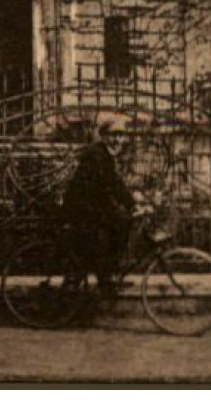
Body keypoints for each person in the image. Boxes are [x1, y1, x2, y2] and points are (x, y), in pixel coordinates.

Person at [59, 118, 136, 293]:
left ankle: (105, 276)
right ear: (103, 136)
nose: (118, 140)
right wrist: (128, 204)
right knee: (120, 224)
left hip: (90, 205)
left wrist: (130, 202)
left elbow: (114, 182)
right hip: (82, 208)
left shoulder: (103, 153)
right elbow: (107, 184)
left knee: (118, 224)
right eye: (113, 135)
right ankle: (106, 278)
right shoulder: (97, 154)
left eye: (121, 136)